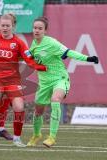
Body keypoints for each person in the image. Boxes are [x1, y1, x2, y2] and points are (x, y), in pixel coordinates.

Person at [0, 13, 47, 147]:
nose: (4, 28)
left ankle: (17, 139)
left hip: (12, 80)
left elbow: (29, 59)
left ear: (13, 26)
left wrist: (40, 67)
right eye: (2, 25)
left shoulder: (19, 43)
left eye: (7, 25)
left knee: (19, 107)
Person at [26, 17, 99, 148]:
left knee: (55, 99)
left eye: (40, 28)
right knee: (38, 111)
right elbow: (28, 57)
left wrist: (87, 58)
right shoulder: (33, 45)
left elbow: (69, 52)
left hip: (59, 78)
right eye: (35, 28)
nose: (37, 30)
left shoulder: (52, 43)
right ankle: (36, 135)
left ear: (45, 31)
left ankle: (52, 137)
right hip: (44, 83)